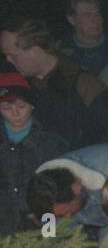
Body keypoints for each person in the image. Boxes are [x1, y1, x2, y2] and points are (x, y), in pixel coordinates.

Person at [1, 19, 108, 149]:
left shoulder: (85, 85)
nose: (8, 60)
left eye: (13, 55)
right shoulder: (16, 87)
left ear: (35, 50)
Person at [0, 73, 69, 236]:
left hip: (43, 221)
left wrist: (50, 233)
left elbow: (59, 192)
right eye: (6, 108)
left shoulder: (52, 142)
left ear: (32, 105)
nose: (15, 114)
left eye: (21, 106)